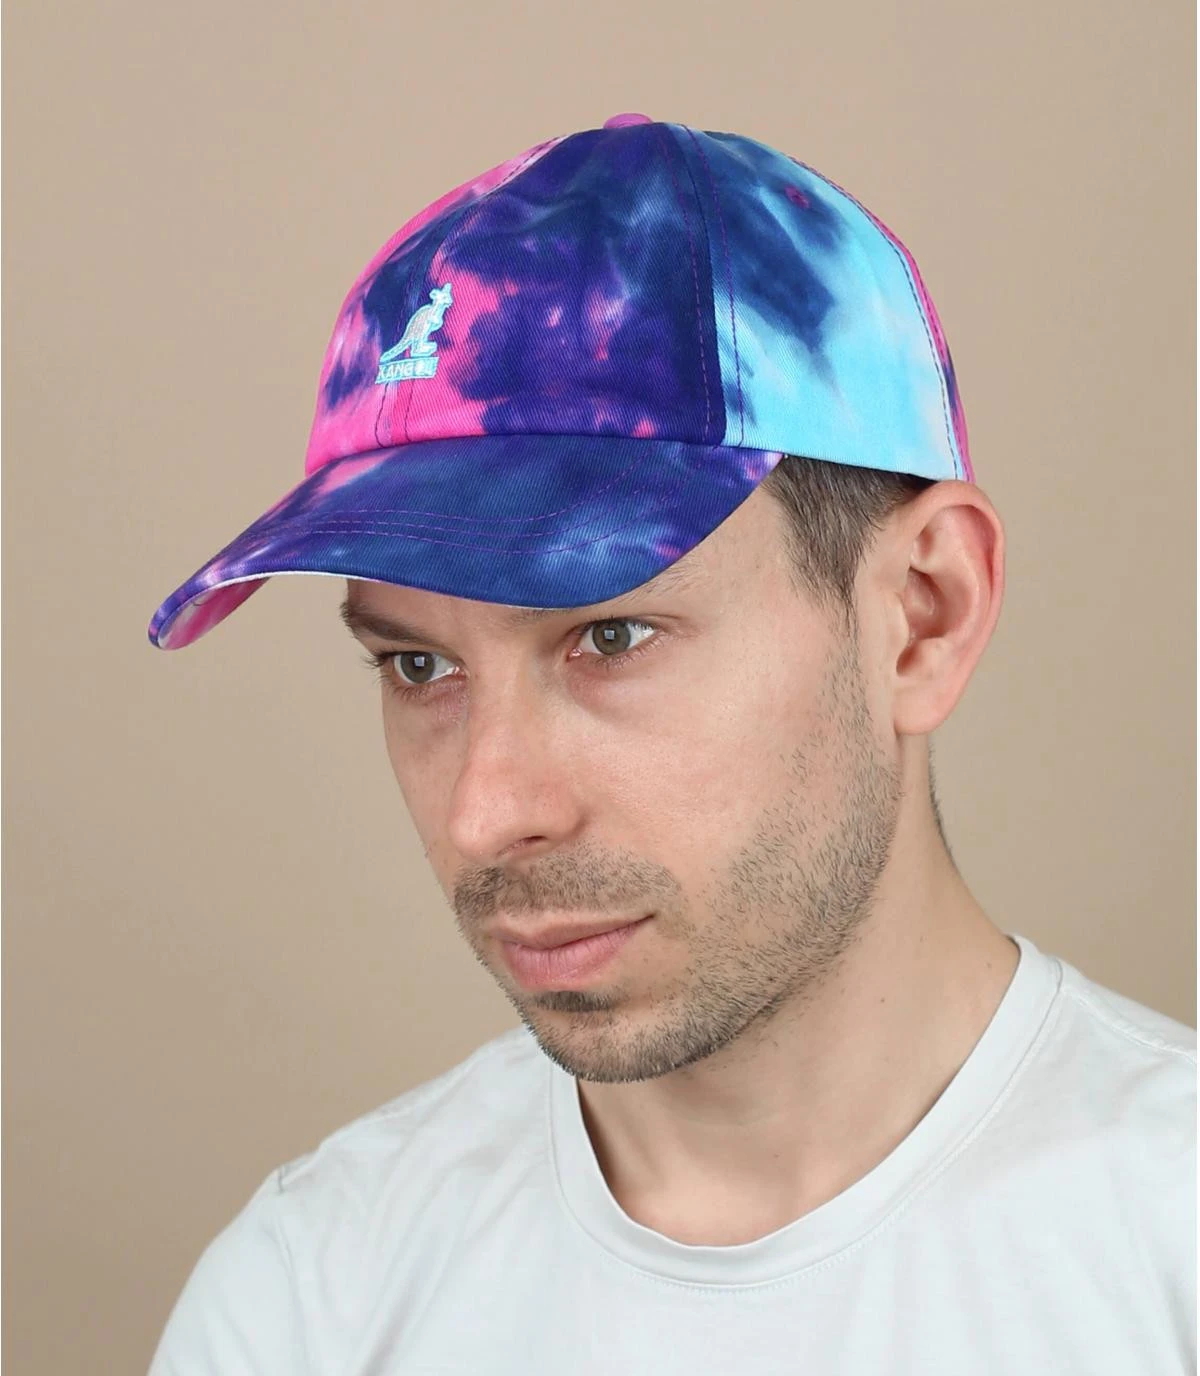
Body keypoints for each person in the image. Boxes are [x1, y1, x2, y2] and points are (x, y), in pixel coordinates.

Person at [145, 114, 1195, 1374]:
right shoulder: (312, 1295)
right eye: (418, 665)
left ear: (923, 615)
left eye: (612, 635)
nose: (486, 812)